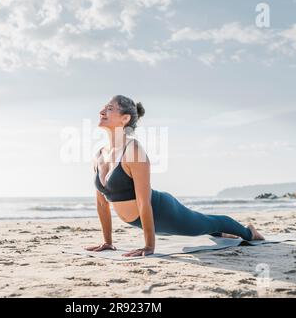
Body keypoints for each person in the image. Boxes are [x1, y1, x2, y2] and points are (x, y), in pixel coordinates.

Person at [85, 95, 264, 258]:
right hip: (143, 221)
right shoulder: (99, 154)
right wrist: (107, 242)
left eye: (109, 108)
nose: (101, 111)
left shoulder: (133, 150)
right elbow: (102, 203)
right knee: (203, 225)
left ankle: (249, 232)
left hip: (163, 212)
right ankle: (222, 233)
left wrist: (149, 246)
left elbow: (143, 202)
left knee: (206, 223)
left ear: (125, 119)